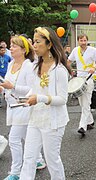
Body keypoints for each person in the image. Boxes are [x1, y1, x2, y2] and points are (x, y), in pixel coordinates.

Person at [19, 27, 71, 179]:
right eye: (33, 41)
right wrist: (23, 98)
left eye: (37, 42)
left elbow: (62, 99)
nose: (34, 45)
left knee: (52, 160)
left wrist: (39, 98)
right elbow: (33, 90)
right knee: (28, 158)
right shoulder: (35, 66)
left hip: (53, 122)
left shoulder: (59, 69)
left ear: (49, 45)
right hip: (35, 119)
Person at [0, 35, 46, 180]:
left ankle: (16, 172)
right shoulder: (11, 63)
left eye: (13, 46)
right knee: (27, 136)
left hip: (23, 106)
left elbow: (32, 90)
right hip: (12, 106)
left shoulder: (29, 65)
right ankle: (39, 160)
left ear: (23, 49)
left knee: (14, 138)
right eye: (10, 45)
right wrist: (3, 89)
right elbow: (7, 83)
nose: (10, 48)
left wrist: (12, 86)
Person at [68, 34, 96, 136]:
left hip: (89, 80)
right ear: (78, 41)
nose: (83, 42)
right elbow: (68, 61)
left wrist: (95, 67)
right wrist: (69, 70)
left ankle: (82, 126)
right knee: (82, 103)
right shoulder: (75, 50)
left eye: (85, 40)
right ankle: (90, 121)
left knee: (86, 103)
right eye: (81, 40)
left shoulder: (92, 50)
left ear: (87, 41)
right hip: (79, 80)